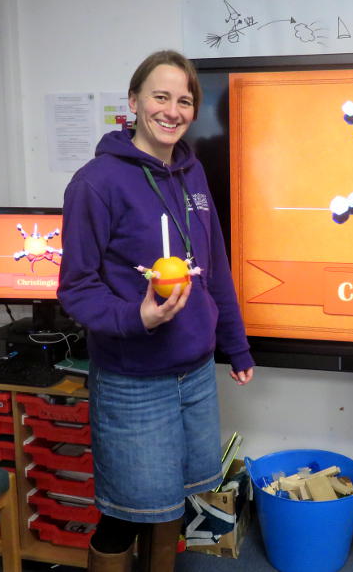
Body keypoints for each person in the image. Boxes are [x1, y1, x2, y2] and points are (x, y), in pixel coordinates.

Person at [57, 50, 254, 572]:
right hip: (133, 380)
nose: (172, 110)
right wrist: (135, 318)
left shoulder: (193, 176)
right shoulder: (96, 183)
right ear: (134, 103)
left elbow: (215, 269)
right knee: (126, 513)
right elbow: (75, 288)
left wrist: (235, 345)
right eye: (160, 97)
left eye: (184, 100)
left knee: (174, 502)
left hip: (193, 374)